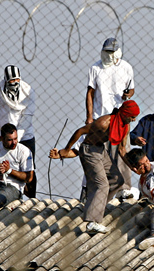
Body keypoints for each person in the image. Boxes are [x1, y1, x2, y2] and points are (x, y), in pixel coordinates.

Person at [57, 100, 140, 234]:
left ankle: (97, 208)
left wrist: (131, 166)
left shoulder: (125, 126)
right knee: (102, 185)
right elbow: (80, 131)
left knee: (117, 180)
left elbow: (122, 150)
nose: (134, 119)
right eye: (132, 116)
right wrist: (67, 149)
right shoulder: (103, 123)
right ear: (124, 113)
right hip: (89, 151)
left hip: (101, 150)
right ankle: (92, 223)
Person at [86, 38, 135, 199]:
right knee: (98, 156)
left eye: (111, 52)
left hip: (120, 118)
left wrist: (128, 94)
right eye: (106, 52)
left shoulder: (126, 67)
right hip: (101, 119)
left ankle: (125, 189)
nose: (108, 55)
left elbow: (132, 89)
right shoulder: (95, 68)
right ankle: (96, 190)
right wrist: (89, 117)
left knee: (121, 152)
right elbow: (90, 93)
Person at [0, 65, 37, 198]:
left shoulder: (28, 91)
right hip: (3, 137)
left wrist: (15, 139)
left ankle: (31, 200)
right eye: (11, 81)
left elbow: (27, 117)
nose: (14, 83)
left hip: (25, 136)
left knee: (28, 171)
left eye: (16, 80)